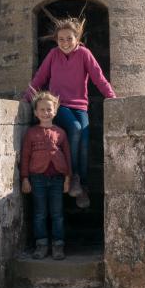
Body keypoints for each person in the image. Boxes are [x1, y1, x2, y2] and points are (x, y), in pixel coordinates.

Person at [24, 17, 116, 209]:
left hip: (81, 105)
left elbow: (98, 77)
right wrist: (26, 98)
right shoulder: (53, 55)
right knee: (74, 128)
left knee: (84, 136)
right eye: (61, 39)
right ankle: (73, 176)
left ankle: (82, 184)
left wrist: (112, 97)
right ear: (56, 40)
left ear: (77, 38)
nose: (65, 43)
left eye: (69, 39)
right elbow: (40, 77)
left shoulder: (84, 54)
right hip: (60, 104)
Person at [21, 91, 72, 260]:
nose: (45, 112)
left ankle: (58, 245)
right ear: (35, 113)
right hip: (37, 179)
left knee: (57, 214)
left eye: (49, 109)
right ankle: (41, 244)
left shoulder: (61, 133)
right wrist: (25, 178)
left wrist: (67, 178)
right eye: (41, 109)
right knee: (40, 213)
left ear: (55, 111)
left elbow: (67, 156)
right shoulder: (31, 133)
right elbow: (26, 155)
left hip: (57, 179)